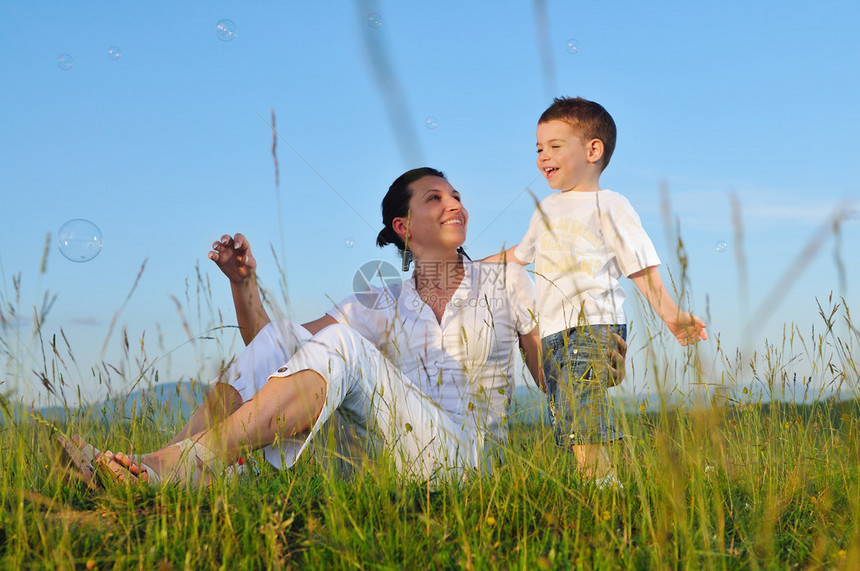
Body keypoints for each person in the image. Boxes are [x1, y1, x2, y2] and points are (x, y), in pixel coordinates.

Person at [84, 167, 571, 486]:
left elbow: (549, 377)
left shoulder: (505, 281)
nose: (454, 204)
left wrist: (589, 364)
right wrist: (244, 285)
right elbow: (272, 351)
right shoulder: (382, 302)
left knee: (341, 341)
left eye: (457, 196)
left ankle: (179, 466)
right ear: (403, 227)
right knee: (288, 335)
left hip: (471, 465)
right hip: (387, 464)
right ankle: (155, 464)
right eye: (434, 198)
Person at [484, 97, 706, 483]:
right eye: (539, 149)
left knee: (581, 405)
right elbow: (519, 256)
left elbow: (640, 265)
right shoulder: (546, 209)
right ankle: (597, 483)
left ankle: (602, 486)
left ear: (593, 149)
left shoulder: (610, 204)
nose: (543, 157)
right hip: (553, 333)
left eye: (555, 146)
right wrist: (466, 266)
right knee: (568, 410)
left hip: (593, 324)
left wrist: (671, 315)